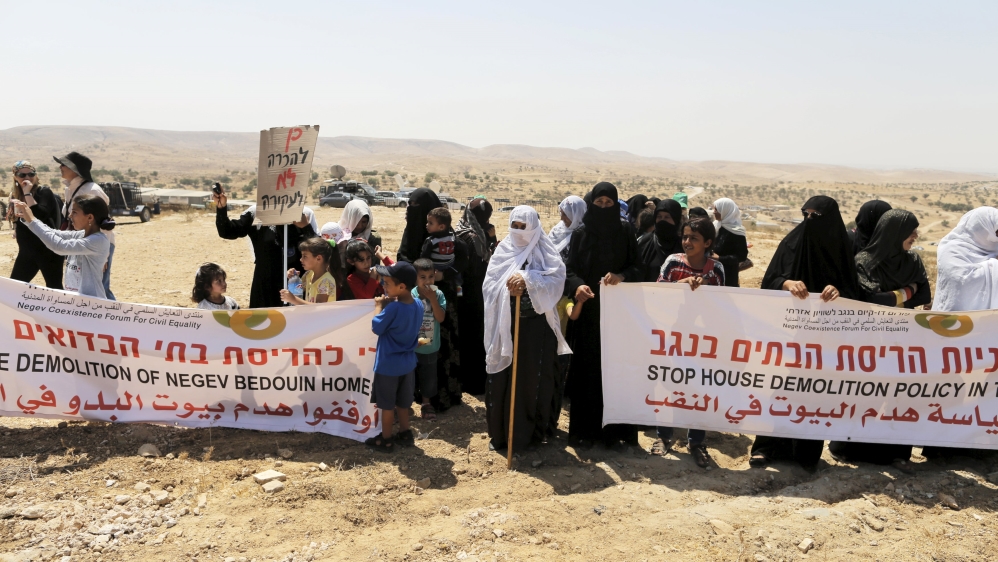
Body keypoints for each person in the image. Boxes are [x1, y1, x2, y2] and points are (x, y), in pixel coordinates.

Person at [752, 195, 858, 472]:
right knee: (782, 389)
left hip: (826, 339)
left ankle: (806, 452)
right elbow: (769, 281)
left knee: (816, 393)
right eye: (805, 214)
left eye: (816, 216)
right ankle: (765, 448)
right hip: (790, 335)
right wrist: (786, 283)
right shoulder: (791, 243)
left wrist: (838, 291)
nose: (809, 221)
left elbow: (855, 292)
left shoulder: (841, 249)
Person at [484, 206, 571, 452]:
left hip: (535, 330)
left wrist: (528, 279)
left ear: (535, 226)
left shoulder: (546, 251)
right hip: (505, 325)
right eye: (516, 226)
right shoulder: (503, 252)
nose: (519, 231)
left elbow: (556, 281)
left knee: (531, 380)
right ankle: (502, 435)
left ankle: (530, 434)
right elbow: (490, 286)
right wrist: (508, 288)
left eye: (525, 226)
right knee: (503, 378)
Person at [564, 182, 643, 449]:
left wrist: (622, 276)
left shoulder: (626, 231)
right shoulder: (581, 234)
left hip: (620, 313)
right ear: (591, 204)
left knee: (616, 369)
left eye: (610, 203)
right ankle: (585, 432)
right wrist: (578, 286)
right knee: (587, 370)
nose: (604, 207)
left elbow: (638, 266)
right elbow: (569, 269)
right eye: (599, 203)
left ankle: (615, 433)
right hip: (589, 312)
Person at [921, 207, 998, 461]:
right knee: (950, 391)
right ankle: (939, 448)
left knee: (985, 392)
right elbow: (963, 280)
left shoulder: (992, 254)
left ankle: (977, 446)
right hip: (951, 337)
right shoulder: (952, 248)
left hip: (986, 339)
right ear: (980, 227)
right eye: (995, 231)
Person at [652, 218, 725, 467]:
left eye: (693, 238)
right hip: (672, 337)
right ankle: (664, 436)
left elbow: (722, 304)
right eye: (684, 237)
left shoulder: (716, 270)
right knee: (669, 384)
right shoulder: (673, 263)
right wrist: (680, 285)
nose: (687, 242)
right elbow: (658, 292)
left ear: (707, 243)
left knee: (699, 388)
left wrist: (705, 288)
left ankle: (696, 442)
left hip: (702, 342)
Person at [399, 188, 464, 411]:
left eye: (417, 205)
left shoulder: (447, 236)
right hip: (417, 298)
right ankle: (418, 393)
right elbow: (404, 258)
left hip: (442, 296)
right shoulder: (414, 231)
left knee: (443, 343)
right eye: (410, 204)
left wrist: (444, 275)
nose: (411, 210)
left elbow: (463, 258)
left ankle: (443, 393)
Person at [214, 186, 316, 308]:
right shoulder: (256, 213)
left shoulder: (303, 213)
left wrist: (305, 226)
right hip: (265, 285)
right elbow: (227, 231)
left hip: (296, 285)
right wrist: (221, 208)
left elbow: (317, 248)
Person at [366, 261, 424, 452]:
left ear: (401, 287)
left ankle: (386, 438)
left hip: (388, 366)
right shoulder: (418, 304)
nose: (383, 285)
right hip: (408, 364)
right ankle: (405, 432)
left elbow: (376, 327)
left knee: (387, 405)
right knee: (403, 402)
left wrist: (379, 305)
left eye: (387, 283)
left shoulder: (392, 308)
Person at [12, 194, 113, 299]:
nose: (70, 216)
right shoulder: (81, 234)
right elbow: (53, 233)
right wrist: (28, 220)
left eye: (74, 212)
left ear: (90, 217)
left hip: (91, 303)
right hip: (75, 301)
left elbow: (59, 246)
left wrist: (32, 220)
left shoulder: (98, 240)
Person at [53, 152, 115, 299]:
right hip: (81, 242)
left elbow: (103, 221)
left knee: (100, 289)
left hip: (96, 246)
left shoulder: (92, 190)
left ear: (75, 169)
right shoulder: (70, 189)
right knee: (82, 288)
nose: (60, 167)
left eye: (64, 164)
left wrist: (104, 256)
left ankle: (115, 319)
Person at [455, 198, 498, 395]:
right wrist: (490, 242)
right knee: (473, 335)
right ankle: (473, 381)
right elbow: (478, 268)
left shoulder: (461, 231)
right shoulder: (472, 237)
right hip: (472, 293)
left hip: (470, 293)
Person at [7, 161, 63, 289]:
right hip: (27, 252)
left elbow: (40, 215)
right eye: (22, 175)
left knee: (55, 288)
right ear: (15, 177)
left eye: (31, 174)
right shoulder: (16, 196)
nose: (27, 177)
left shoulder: (44, 192)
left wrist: (27, 193)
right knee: (14, 287)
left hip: (48, 250)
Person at [412, 259, 447, 421]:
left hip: (430, 346)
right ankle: (405, 404)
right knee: (409, 376)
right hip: (411, 346)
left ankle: (426, 403)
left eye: (431, 277)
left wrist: (433, 299)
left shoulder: (439, 295)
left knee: (429, 376)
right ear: (416, 278)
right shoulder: (410, 294)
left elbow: (440, 318)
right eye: (423, 277)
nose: (427, 281)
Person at [280, 237, 338, 305]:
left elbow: (318, 308)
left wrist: (293, 299)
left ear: (318, 258)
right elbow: (298, 290)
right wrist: (294, 278)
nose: (301, 259)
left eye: (305, 256)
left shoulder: (326, 281)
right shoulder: (309, 274)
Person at [637, 199, 684, 282]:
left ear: (676, 219)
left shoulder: (684, 245)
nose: (662, 220)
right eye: (659, 217)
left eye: (667, 217)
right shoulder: (645, 242)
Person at [421, 207, 467, 290]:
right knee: (457, 282)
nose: (427, 224)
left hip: (445, 267)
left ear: (441, 227)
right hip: (441, 268)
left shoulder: (431, 240)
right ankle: (459, 295)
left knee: (457, 281)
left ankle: (458, 296)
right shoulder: (452, 237)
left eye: (430, 223)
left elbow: (424, 257)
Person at [711, 198, 749, 287]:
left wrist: (720, 258)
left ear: (725, 210)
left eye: (716, 209)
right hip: (711, 273)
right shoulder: (715, 226)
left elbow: (741, 256)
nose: (714, 212)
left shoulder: (737, 232)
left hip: (728, 275)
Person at [398, 188, 443, 262]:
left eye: (415, 204)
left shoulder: (447, 238)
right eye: (410, 204)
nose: (411, 208)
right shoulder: (410, 231)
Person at [548, 195, 587, 260]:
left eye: (566, 214)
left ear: (577, 214)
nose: (562, 218)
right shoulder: (557, 230)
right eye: (561, 213)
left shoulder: (585, 235)